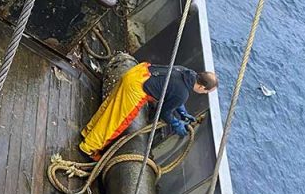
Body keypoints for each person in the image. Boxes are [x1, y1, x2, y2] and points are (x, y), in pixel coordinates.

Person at [79, 61, 218, 159]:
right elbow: (164, 112)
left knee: (109, 107)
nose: (205, 94)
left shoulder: (185, 72)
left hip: (138, 72)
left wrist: (182, 111)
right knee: (117, 122)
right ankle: (89, 148)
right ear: (201, 88)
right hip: (136, 87)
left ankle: (88, 132)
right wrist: (176, 124)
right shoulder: (183, 94)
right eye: (206, 92)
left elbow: (172, 93)